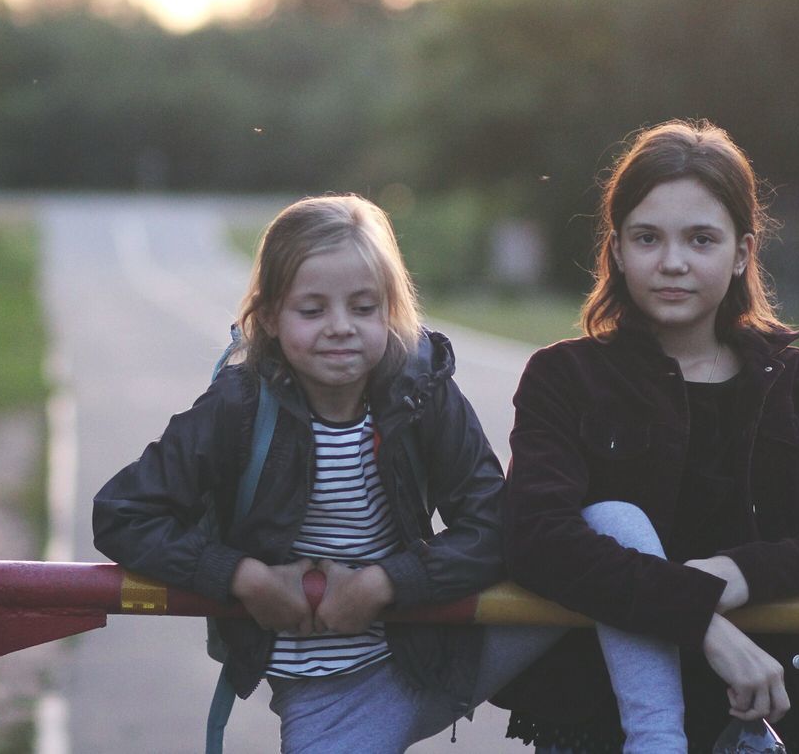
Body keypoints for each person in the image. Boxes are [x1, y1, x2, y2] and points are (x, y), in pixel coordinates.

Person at [493, 120, 799, 753]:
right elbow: (537, 538)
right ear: (615, 248)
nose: (673, 262)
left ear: (743, 251)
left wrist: (740, 573)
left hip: (763, 716)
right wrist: (701, 618)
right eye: (647, 238)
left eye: (701, 239)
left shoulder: (794, 384)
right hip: (597, 722)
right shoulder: (566, 377)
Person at [93, 193, 552, 753]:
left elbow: (493, 525)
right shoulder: (237, 407)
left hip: (432, 653)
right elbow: (123, 512)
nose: (341, 328)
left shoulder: (423, 390)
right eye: (312, 310)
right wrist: (244, 577)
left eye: (364, 308)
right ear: (268, 317)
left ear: (390, 308)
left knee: (609, 532)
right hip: (325, 699)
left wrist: (383, 584)